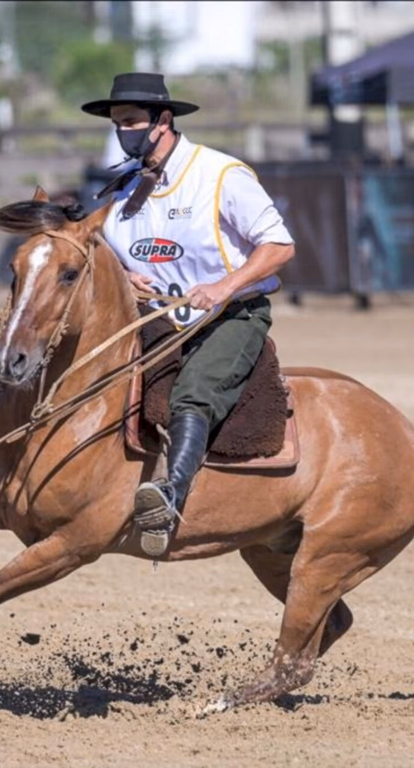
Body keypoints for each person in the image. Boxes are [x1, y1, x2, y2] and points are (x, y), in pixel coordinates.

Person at [81, 72, 295, 553]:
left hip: (230, 318)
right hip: (157, 320)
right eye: (117, 123)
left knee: (192, 395)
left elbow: (279, 246)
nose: (123, 132)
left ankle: (169, 499)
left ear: (164, 121)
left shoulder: (221, 175)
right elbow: (99, 248)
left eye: (131, 122)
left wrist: (224, 286)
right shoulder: (123, 193)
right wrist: (122, 274)